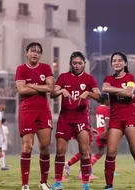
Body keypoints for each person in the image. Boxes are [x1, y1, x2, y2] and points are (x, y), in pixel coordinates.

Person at [50, 51, 101, 190]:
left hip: (81, 119)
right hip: (65, 119)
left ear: (84, 64)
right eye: (75, 63)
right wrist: (61, 91)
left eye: (80, 63)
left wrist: (88, 93)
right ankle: (58, 182)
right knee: (60, 151)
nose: (77, 66)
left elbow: (99, 96)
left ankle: (85, 184)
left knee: (84, 151)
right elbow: (52, 94)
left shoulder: (89, 79)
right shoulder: (63, 77)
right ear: (70, 64)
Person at [102, 52, 135, 190]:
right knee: (110, 152)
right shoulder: (108, 78)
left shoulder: (130, 76)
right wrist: (122, 90)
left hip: (130, 116)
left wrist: (115, 91)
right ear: (111, 64)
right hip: (115, 118)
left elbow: (129, 92)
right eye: (114, 61)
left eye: (119, 60)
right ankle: (109, 186)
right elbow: (104, 88)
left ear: (125, 63)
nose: (116, 63)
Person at [15, 42, 54, 190]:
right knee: (27, 146)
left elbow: (50, 88)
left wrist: (31, 85)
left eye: (38, 51)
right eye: (32, 51)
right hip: (27, 110)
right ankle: (25, 184)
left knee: (45, 146)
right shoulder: (21, 69)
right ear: (27, 53)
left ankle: (43, 182)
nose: (35, 53)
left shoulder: (46, 68)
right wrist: (41, 87)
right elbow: (21, 90)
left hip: (43, 110)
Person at [64, 93, 111, 179]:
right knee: (87, 150)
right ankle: (84, 172)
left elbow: (86, 117)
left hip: (89, 128)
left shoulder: (95, 107)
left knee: (87, 150)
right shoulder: (83, 103)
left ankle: (81, 169)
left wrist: (91, 127)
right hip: (87, 128)